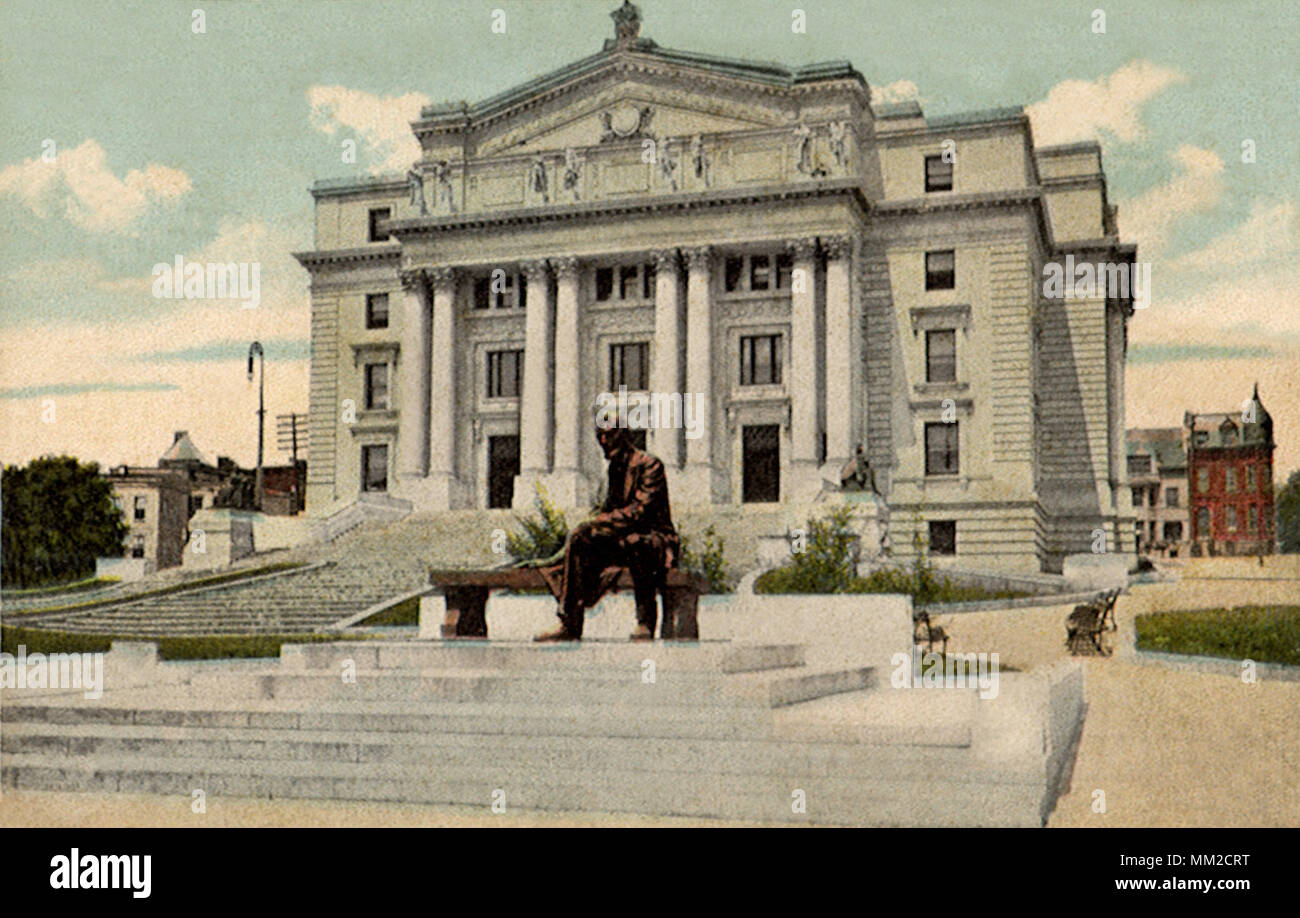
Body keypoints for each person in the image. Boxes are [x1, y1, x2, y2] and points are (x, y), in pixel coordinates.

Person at [532, 414, 679, 642]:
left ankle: (645, 622)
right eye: (600, 436)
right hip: (622, 537)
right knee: (581, 538)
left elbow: (641, 511)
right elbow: (609, 509)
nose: (603, 441)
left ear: (624, 436)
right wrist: (594, 526)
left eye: (609, 435)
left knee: (636, 542)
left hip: (653, 538)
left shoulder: (650, 465)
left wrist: (601, 523)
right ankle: (569, 623)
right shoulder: (615, 470)